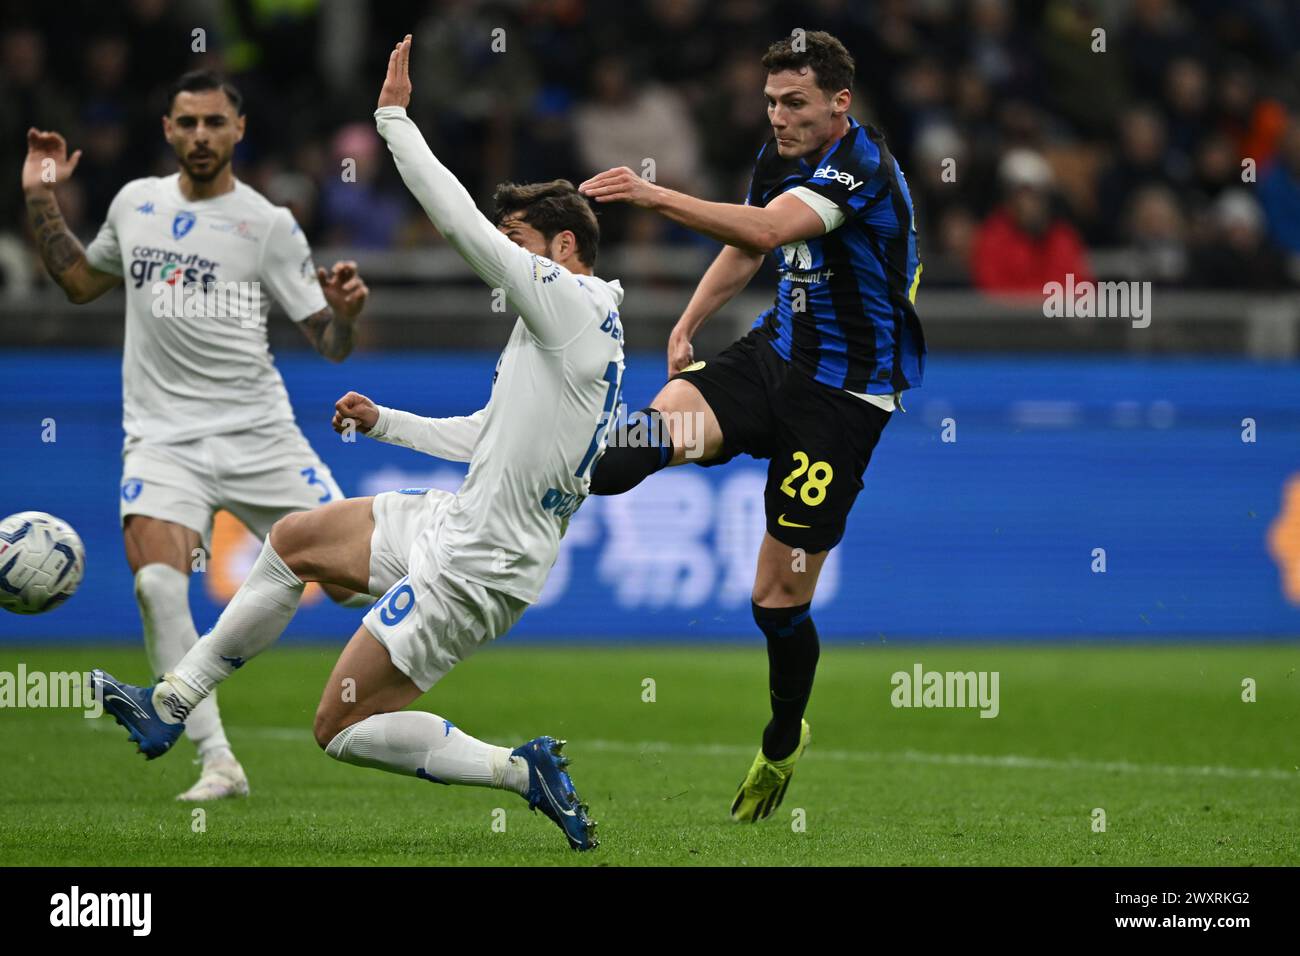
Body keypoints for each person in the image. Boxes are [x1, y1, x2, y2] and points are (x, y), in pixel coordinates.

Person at [91, 36, 616, 851]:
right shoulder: (564, 333)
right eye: (511, 238)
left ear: (565, 248)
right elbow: (488, 435)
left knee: (337, 725)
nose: (507, 254)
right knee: (295, 540)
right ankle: (168, 707)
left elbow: (460, 224)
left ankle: (521, 771)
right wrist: (386, 423)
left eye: (521, 238)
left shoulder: (570, 305)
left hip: (480, 568)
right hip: (456, 522)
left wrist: (394, 121)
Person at [578, 30, 924, 822]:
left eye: (795, 102)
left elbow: (768, 232)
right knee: (626, 454)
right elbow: (750, 240)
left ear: (840, 103)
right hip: (773, 359)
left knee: (775, 603)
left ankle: (781, 736)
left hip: (843, 404)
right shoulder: (784, 156)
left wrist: (652, 194)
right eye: (771, 101)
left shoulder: (860, 167)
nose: (779, 116)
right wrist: (690, 321)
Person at [23, 70, 370, 801]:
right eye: (188, 123)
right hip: (162, 438)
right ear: (168, 129)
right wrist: (39, 197)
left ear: (239, 131)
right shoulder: (135, 204)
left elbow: (329, 343)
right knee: (156, 585)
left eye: (215, 122)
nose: (201, 135)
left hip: (258, 435)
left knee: (355, 580)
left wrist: (344, 313)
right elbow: (82, 283)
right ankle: (217, 761)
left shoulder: (267, 223)